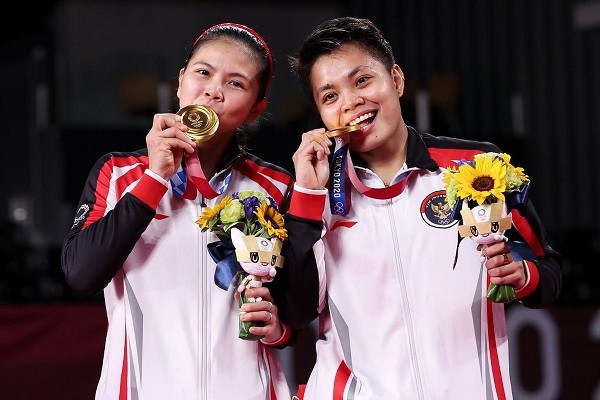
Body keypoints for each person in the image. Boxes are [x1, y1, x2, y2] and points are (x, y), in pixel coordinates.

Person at [275, 17, 562, 399]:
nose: (350, 102)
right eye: (330, 97)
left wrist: (520, 274)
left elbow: (548, 271)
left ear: (396, 79)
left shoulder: (478, 165)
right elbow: (296, 312)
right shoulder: (315, 192)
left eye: (362, 81)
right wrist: (308, 197)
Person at [61, 23, 295, 400]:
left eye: (235, 83)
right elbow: (81, 273)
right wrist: (155, 178)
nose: (213, 91)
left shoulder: (275, 186)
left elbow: (299, 302)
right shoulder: (118, 172)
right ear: (182, 81)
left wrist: (281, 328)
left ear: (256, 109)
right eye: (203, 73)